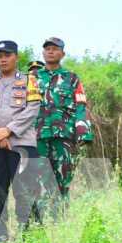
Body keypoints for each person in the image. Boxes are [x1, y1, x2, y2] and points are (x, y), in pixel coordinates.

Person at [0, 41, 41, 243]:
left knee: (24, 191)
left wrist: (9, 130)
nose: (3, 59)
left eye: (7, 55)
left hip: (22, 144)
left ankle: (26, 236)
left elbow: (33, 109)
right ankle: (0, 236)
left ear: (16, 57)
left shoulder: (29, 81)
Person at [34, 37, 93, 215]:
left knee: (63, 178)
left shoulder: (72, 78)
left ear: (62, 53)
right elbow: (22, 108)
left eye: (55, 49)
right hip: (38, 136)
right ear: (43, 53)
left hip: (64, 137)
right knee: (38, 179)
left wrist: (84, 133)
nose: (50, 51)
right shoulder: (32, 78)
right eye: (47, 49)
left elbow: (80, 106)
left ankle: (60, 217)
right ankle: (39, 221)